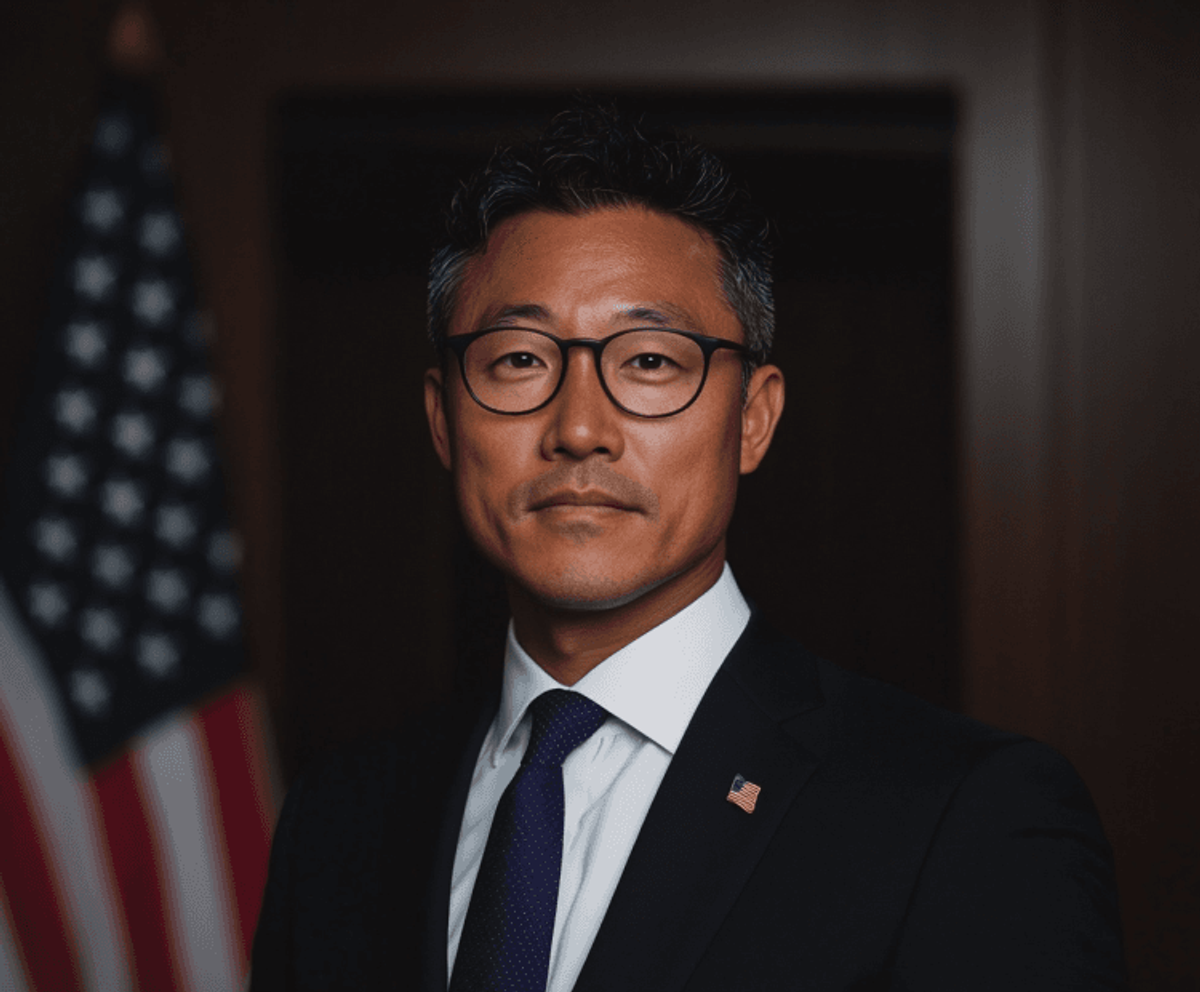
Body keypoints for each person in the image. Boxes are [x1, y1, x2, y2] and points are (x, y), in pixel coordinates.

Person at [250, 104, 1127, 991]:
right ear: (443, 418)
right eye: (518, 359)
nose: (580, 428)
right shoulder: (338, 821)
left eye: (650, 362)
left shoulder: (964, 814)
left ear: (753, 419)